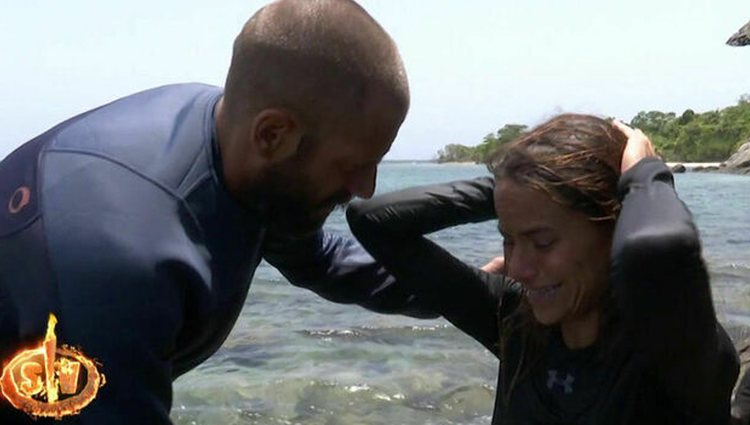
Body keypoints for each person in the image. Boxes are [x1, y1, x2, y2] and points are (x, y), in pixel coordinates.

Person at [0, 1, 435, 423]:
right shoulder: (117, 259)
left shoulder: (242, 143)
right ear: (272, 134)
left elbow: (315, 256)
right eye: (353, 166)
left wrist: (465, 290)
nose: (366, 188)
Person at [347, 114, 739, 424]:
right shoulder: (515, 320)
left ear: (614, 225)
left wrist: (644, 175)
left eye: (543, 242)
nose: (517, 268)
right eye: (509, 239)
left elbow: (658, 248)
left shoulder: (675, 347)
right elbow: (373, 220)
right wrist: (517, 189)